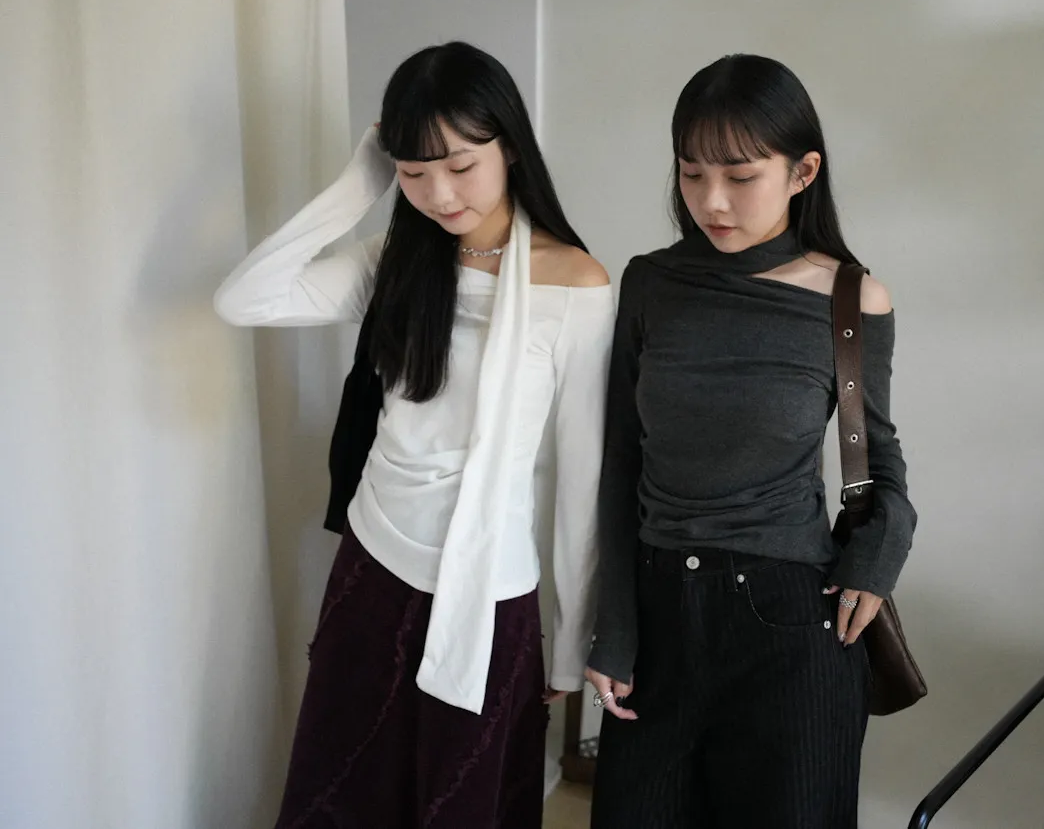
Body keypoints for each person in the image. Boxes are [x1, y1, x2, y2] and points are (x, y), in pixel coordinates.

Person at [214, 41, 613, 829]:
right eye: (413, 171)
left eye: (460, 166)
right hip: (374, 566)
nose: (439, 193)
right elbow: (244, 299)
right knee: (347, 794)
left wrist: (570, 646)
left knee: (460, 805)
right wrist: (358, 184)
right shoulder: (394, 261)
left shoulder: (577, 283)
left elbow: (583, 478)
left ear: (510, 146)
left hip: (489, 592)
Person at [584, 54, 917, 828]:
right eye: (691, 173)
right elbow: (621, 458)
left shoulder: (851, 299)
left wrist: (879, 555)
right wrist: (614, 630)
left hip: (791, 626)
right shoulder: (650, 283)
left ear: (803, 172)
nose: (711, 200)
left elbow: (879, 455)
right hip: (661, 619)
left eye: (740, 176)